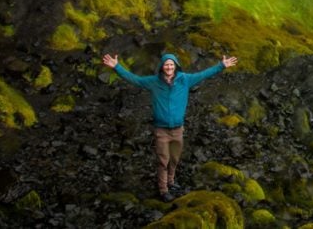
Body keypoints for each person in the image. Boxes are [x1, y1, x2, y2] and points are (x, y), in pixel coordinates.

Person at [101, 52, 238, 201]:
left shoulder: (185, 80)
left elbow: (204, 74)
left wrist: (221, 65)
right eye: (166, 64)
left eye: (171, 64)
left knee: (174, 158)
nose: (169, 67)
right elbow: (135, 80)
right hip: (161, 130)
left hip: (178, 129)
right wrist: (117, 67)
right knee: (163, 160)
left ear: (176, 66)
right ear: (162, 67)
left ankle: (171, 181)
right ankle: (163, 190)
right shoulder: (153, 82)